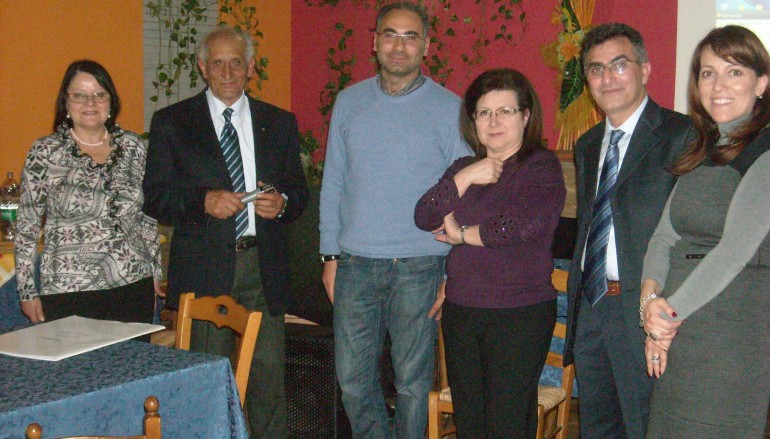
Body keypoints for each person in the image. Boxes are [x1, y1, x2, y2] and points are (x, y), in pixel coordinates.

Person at [143, 25, 308, 438]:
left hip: (263, 267)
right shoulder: (172, 122)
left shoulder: (279, 123)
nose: (228, 72)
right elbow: (156, 198)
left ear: (251, 66)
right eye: (218, 63)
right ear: (203, 67)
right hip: (204, 268)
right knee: (207, 379)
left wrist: (283, 203)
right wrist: (203, 201)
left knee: (268, 381)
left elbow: (299, 192)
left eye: (237, 62)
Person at [319, 2, 471, 437]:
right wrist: (329, 256)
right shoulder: (349, 102)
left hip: (420, 267)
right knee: (352, 382)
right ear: (375, 42)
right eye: (390, 34)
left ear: (426, 46)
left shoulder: (449, 108)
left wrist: (453, 272)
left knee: (412, 385)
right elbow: (334, 182)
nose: (399, 46)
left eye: (410, 37)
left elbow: (465, 194)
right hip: (354, 264)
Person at [414, 68, 565, 437]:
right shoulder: (464, 167)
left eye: (504, 111)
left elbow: (519, 227)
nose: (493, 121)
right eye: (484, 112)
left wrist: (461, 234)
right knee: (470, 423)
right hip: (462, 312)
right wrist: (465, 177)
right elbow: (424, 215)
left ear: (525, 116)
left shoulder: (541, 166)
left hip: (518, 314)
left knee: (506, 423)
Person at [562, 23, 695, 438]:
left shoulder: (682, 135)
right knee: (597, 427)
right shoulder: (587, 145)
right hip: (592, 306)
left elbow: (689, 235)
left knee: (645, 427)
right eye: (596, 69)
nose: (608, 78)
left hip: (646, 311)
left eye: (619, 65)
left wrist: (667, 312)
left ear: (645, 69)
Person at [640, 25, 770, 437]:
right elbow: (664, 237)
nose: (718, 85)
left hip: (729, 342)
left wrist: (665, 318)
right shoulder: (700, 148)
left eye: (735, 72)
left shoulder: (765, 153)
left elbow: (733, 253)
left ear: (761, 83)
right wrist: (649, 302)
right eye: (708, 73)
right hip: (678, 334)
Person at [15, 60, 162, 326]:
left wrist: (155, 274)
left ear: (110, 101)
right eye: (79, 95)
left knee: (134, 355)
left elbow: (147, 217)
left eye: (99, 94)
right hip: (69, 290)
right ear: (66, 103)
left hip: (133, 285)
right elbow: (27, 225)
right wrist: (27, 291)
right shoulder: (45, 152)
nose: (90, 103)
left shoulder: (133, 146)